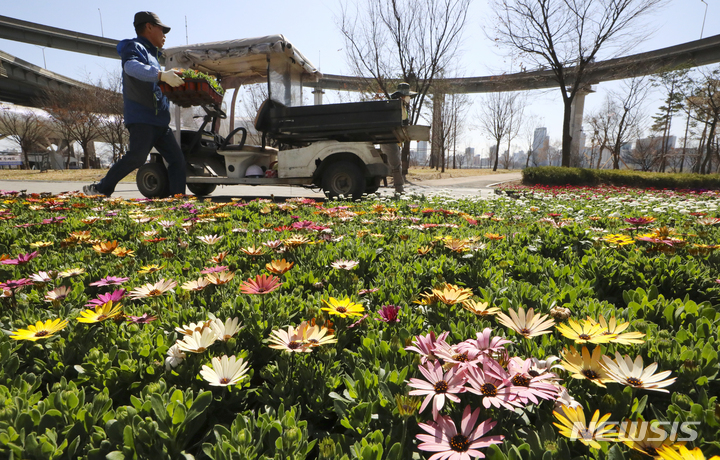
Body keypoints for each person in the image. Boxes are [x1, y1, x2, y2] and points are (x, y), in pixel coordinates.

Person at [83, 11, 186, 197]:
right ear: (149, 27)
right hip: (142, 117)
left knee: (177, 160)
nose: (164, 35)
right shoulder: (134, 47)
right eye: (162, 30)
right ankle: (100, 189)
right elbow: (130, 67)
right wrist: (162, 75)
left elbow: (154, 86)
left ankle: (178, 201)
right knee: (136, 157)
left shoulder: (154, 55)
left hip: (160, 121)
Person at [380, 82, 417, 194]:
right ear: (402, 96)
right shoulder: (395, 107)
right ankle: (399, 189)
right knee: (395, 165)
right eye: (407, 96)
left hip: (393, 140)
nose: (408, 98)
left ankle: (398, 188)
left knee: (394, 164)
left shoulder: (401, 107)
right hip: (389, 139)